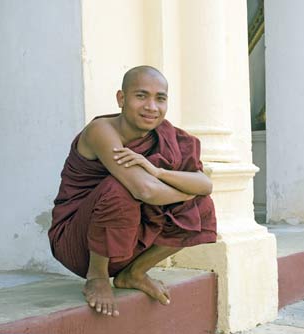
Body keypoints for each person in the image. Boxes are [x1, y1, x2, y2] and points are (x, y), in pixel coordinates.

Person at [49, 65, 216, 317]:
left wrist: (159, 172)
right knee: (120, 187)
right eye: (141, 96)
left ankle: (134, 273)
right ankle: (97, 276)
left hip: (126, 240)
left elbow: (205, 184)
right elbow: (144, 190)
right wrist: (184, 191)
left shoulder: (168, 135)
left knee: (202, 207)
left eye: (160, 98)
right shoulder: (101, 131)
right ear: (121, 98)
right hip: (77, 242)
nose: (151, 106)